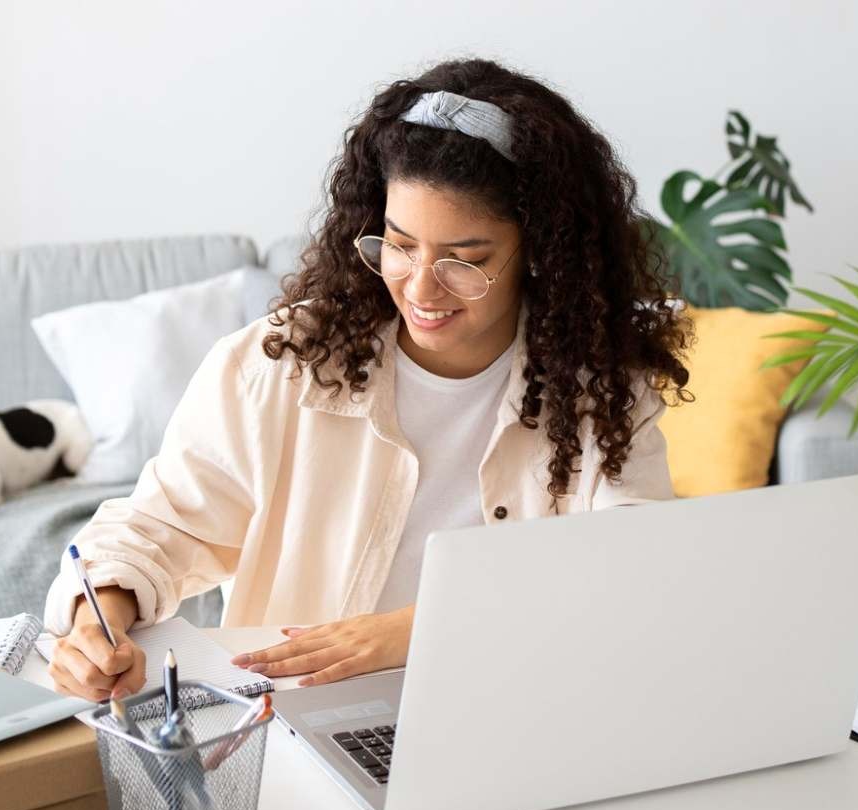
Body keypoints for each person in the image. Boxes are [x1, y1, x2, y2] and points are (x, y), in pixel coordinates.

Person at [43, 57, 691, 702]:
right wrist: (97, 615)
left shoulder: (599, 394)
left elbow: (627, 568)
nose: (420, 287)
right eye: (400, 245)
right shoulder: (279, 364)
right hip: (293, 716)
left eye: (466, 261)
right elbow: (160, 528)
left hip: (511, 709)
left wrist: (417, 631)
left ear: (540, 255)